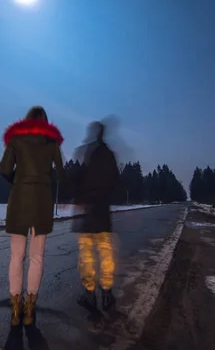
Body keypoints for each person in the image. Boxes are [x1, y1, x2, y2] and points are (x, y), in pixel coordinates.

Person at [0, 106, 65, 326]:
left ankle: (15, 309)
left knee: (16, 257)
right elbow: (62, 173)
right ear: (45, 122)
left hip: (19, 201)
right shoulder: (52, 143)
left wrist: (19, 181)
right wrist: (46, 180)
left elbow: (4, 168)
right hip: (42, 203)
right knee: (37, 257)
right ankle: (30, 310)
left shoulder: (16, 140)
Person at [71, 121, 120, 311]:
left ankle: (89, 294)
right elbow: (116, 180)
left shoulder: (86, 151)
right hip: (101, 211)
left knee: (87, 255)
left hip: (88, 211)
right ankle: (106, 293)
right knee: (105, 252)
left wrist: (79, 197)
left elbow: (76, 177)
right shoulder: (108, 154)